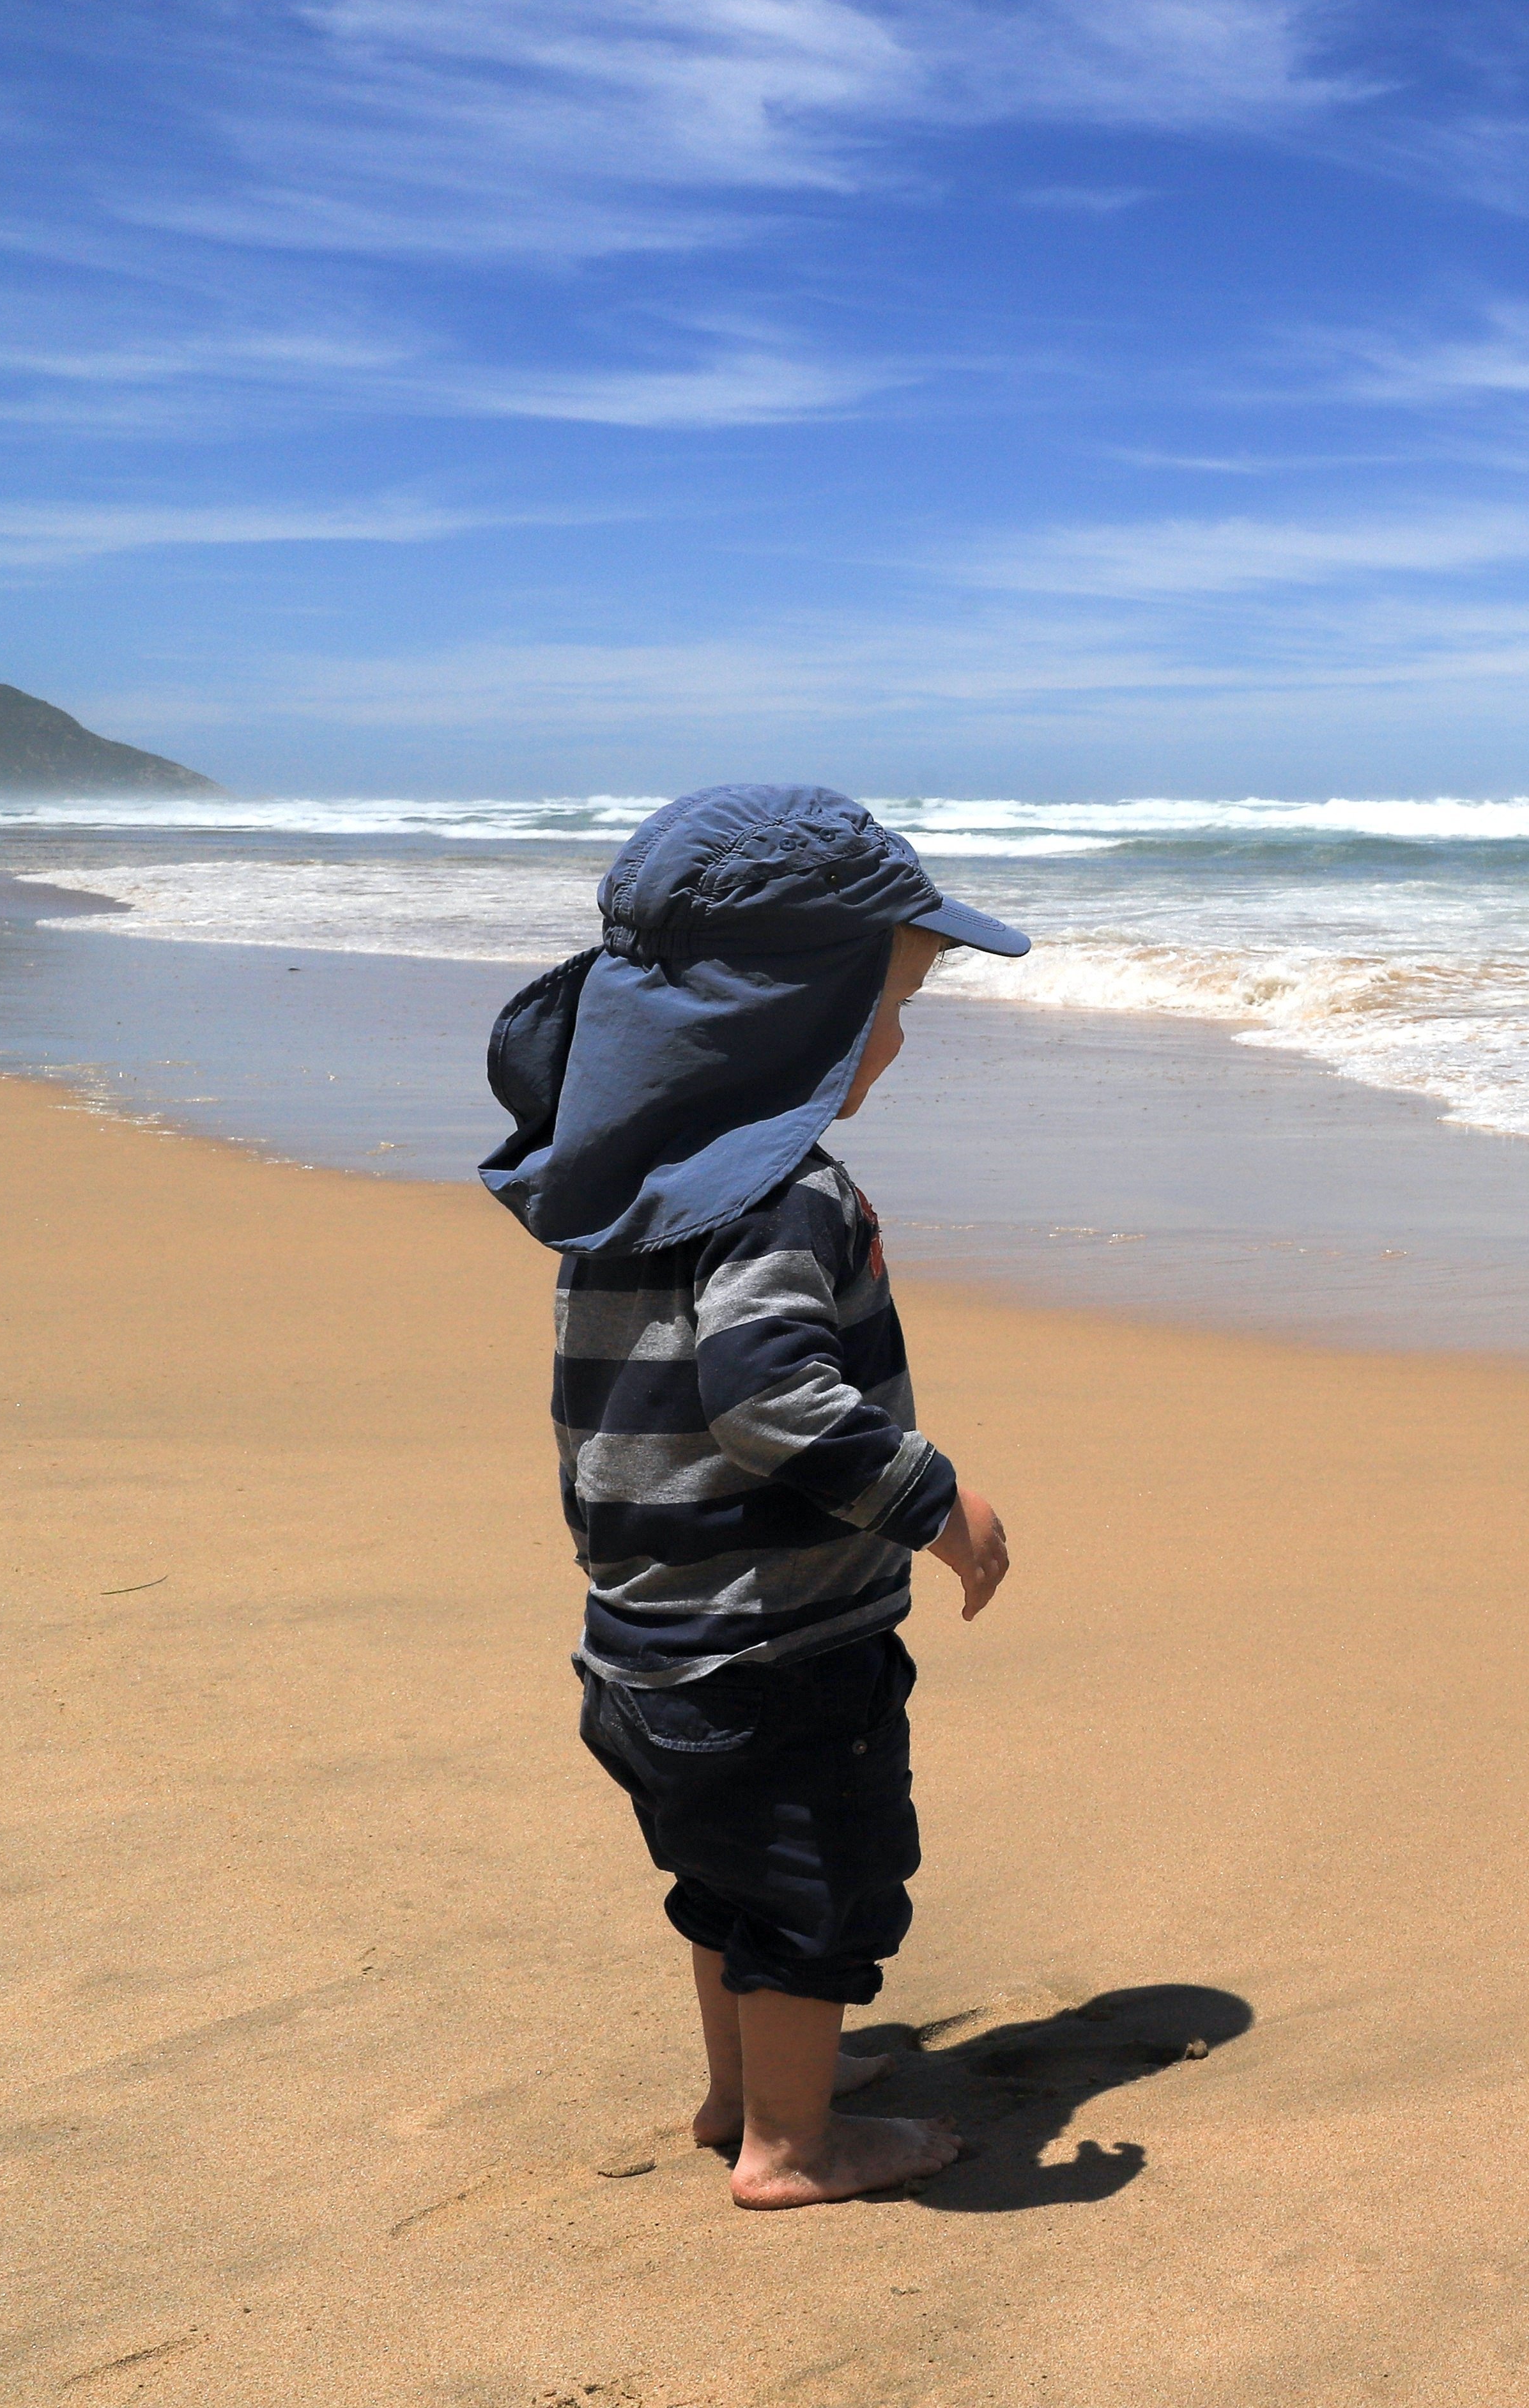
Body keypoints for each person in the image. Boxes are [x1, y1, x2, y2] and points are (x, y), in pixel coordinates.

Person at [479, 783, 1026, 2207]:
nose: (896, 1041)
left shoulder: (613, 1187)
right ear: (793, 1019)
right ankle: (795, 2148)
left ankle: (744, 2092)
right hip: (776, 1649)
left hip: (645, 1647)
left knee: (729, 1884)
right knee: (816, 1889)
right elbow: (772, 1398)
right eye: (885, 1006)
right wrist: (935, 1498)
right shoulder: (786, 1199)